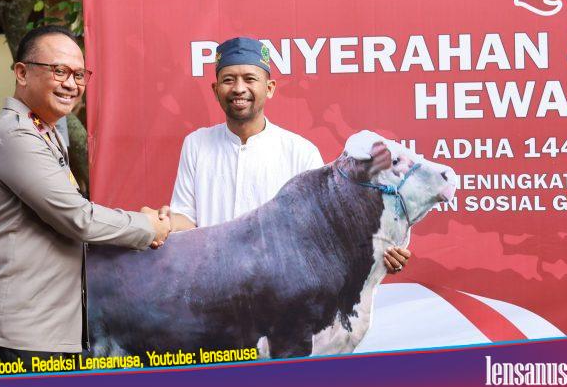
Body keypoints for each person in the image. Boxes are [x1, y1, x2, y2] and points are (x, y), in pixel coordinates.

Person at [0, 25, 170, 369]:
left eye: (79, 74)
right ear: (22, 73)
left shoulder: (46, 131)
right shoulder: (17, 136)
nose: (72, 84)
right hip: (17, 331)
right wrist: (147, 226)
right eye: (59, 71)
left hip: (38, 326)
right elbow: (77, 219)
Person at [166, 36, 410, 274]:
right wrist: (162, 224)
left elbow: (323, 230)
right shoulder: (197, 144)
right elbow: (187, 221)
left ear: (269, 88)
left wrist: (378, 252)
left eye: (250, 79)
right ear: (215, 89)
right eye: (229, 80)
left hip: (278, 292)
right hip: (212, 284)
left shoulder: (300, 152)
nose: (239, 88)